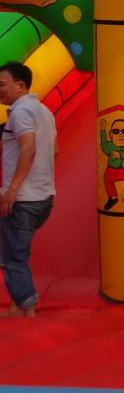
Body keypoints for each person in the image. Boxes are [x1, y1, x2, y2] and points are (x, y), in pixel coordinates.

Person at [0, 62, 56, 318]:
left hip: (23, 199)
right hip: (44, 197)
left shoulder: (20, 112)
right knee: (11, 248)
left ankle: (27, 308)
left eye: (2, 85)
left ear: (20, 86)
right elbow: (54, 151)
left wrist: (12, 190)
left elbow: (28, 148)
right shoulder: (44, 111)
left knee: (14, 256)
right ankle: (15, 305)